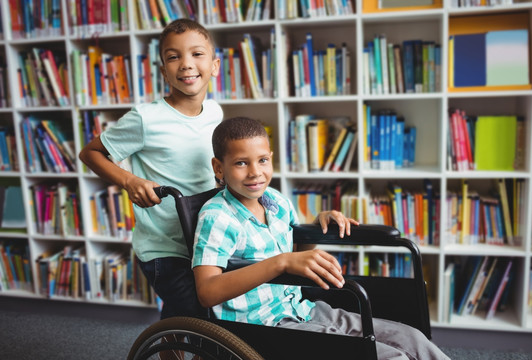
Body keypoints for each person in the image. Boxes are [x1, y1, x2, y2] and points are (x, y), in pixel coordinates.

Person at [192, 117, 451, 360]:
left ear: (271, 159)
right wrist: (280, 263)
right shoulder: (217, 217)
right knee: (390, 357)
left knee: (411, 340)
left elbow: (299, 253)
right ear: (219, 168)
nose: (255, 172)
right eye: (241, 163)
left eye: (262, 160)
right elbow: (207, 292)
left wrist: (319, 225)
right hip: (260, 327)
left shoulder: (276, 202)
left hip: (301, 309)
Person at [79, 18, 222, 319]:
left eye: (197, 54)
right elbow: (90, 153)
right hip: (163, 248)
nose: (186, 64)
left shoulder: (215, 112)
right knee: (201, 318)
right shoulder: (145, 118)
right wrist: (130, 181)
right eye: (173, 57)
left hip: (204, 239)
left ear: (215, 65)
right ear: (162, 71)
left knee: (181, 318)